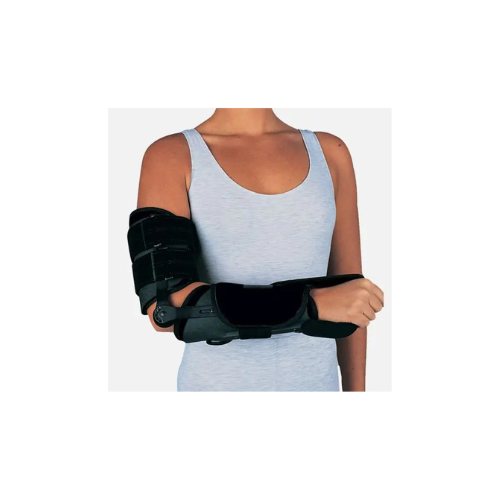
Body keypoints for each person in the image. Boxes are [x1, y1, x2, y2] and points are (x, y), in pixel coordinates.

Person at [135, 108, 384, 391]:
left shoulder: (330, 152)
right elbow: (166, 310)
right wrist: (310, 304)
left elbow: (354, 297)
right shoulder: (171, 156)